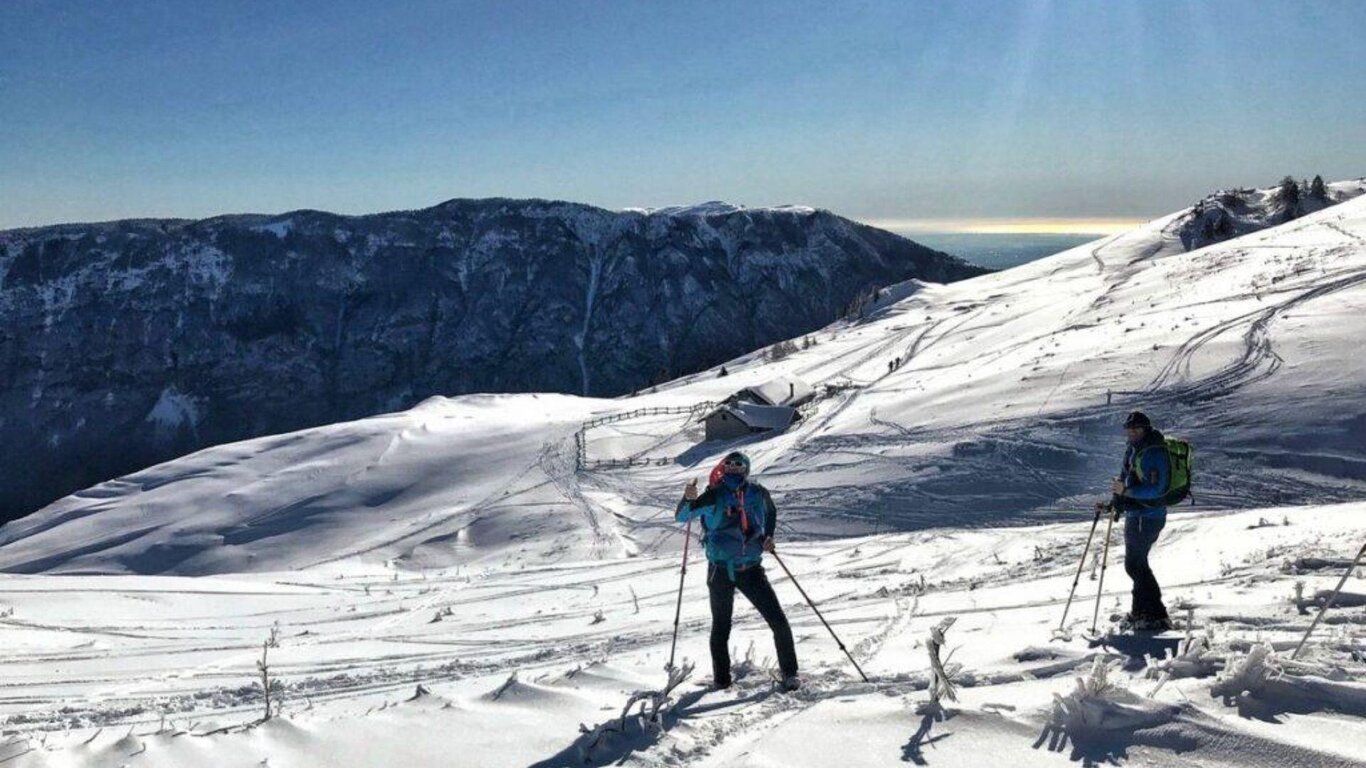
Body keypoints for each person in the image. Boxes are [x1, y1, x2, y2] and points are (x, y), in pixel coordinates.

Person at [677, 451, 800, 691]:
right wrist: (687, 498)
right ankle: (722, 681)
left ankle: (790, 673)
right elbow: (683, 516)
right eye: (729, 464)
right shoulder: (714, 495)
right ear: (723, 468)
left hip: (746, 567)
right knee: (723, 626)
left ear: (746, 468)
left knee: (776, 620)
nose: (733, 468)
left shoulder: (757, 492)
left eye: (738, 464)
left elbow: (770, 511)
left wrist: (769, 536)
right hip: (724, 569)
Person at [1098, 411, 1173, 631]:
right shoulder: (1133, 449)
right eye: (1129, 429)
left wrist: (1126, 492)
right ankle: (1141, 612)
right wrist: (1115, 503)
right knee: (1135, 565)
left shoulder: (1153, 452)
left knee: (1136, 565)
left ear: (1145, 429)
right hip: (1136, 515)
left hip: (1148, 516)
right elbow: (1124, 479)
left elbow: (1157, 489)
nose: (1131, 432)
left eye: (1136, 428)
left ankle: (1155, 614)